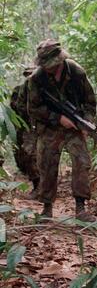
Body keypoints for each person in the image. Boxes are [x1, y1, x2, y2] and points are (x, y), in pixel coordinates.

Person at [27, 39, 97, 222]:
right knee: (47, 164)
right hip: (49, 128)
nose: (49, 68)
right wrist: (57, 118)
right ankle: (47, 208)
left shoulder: (76, 72)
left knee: (81, 162)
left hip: (74, 127)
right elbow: (33, 108)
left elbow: (90, 103)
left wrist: (86, 124)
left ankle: (81, 208)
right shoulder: (36, 78)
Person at [10, 67, 40, 199]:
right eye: (27, 74)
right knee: (21, 158)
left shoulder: (43, 90)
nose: (30, 77)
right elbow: (14, 108)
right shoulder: (18, 90)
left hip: (39, 128)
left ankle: (39, 187)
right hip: (23, 127)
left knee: (33, 155)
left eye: (32, 74)